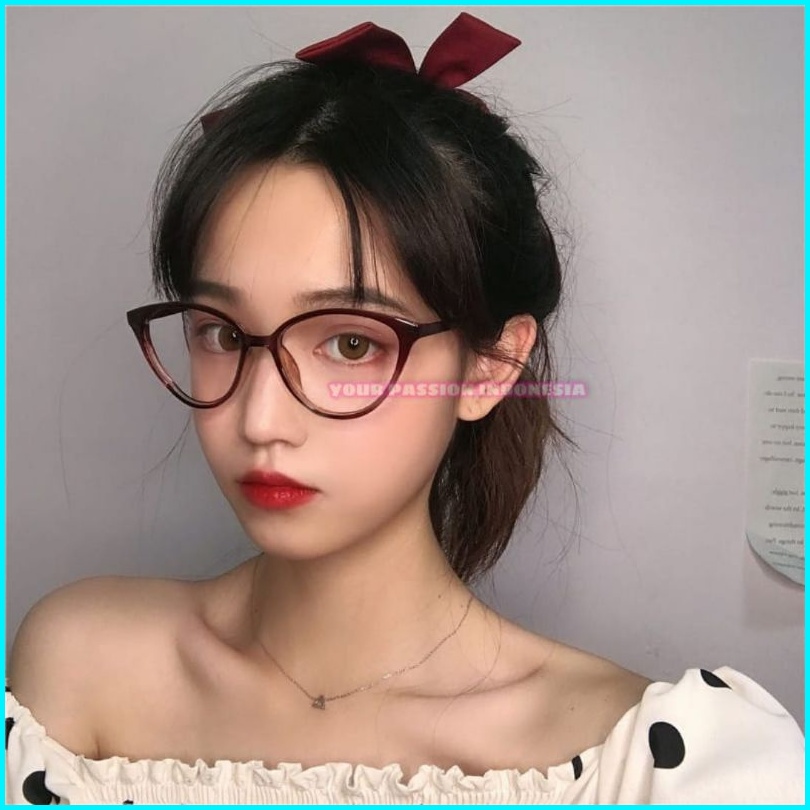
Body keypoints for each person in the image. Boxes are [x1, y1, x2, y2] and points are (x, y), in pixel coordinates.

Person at [5, 13, 804, 805]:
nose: (259, 420)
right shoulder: (78, 670)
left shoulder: (652, 769)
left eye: (350, 343)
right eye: (221, 332)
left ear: (492, 365)